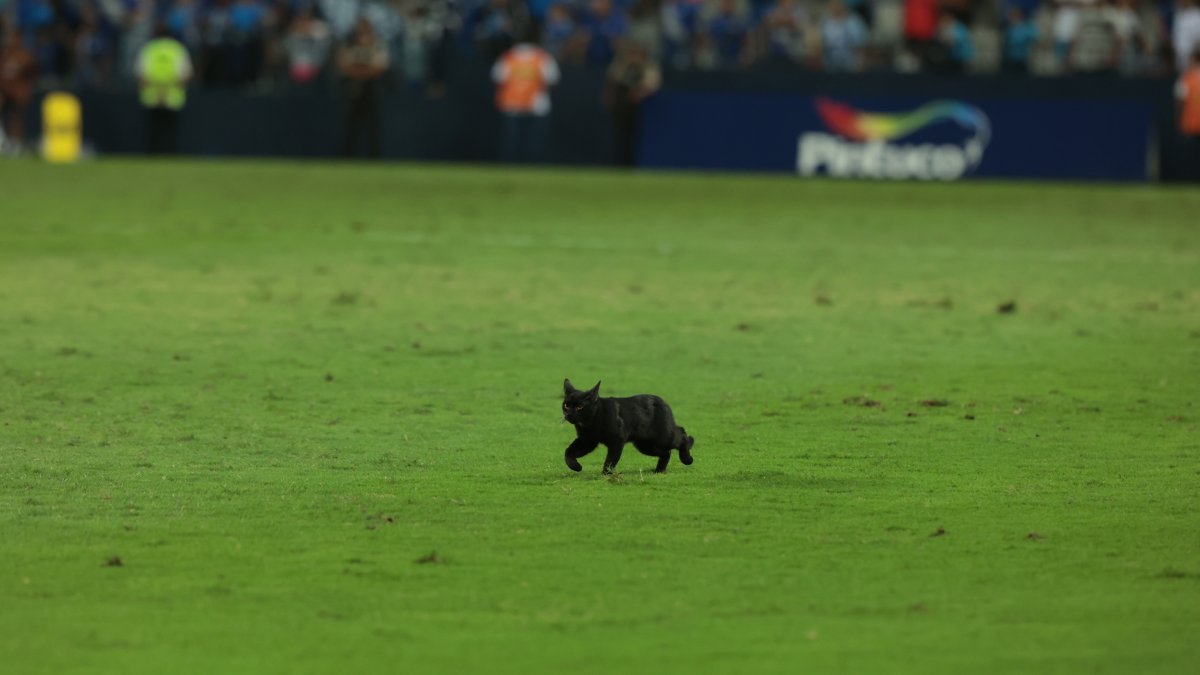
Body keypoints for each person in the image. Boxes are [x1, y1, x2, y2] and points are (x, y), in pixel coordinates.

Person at [492, 40, 559, 163]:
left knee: (521, 142)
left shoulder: (509, 57)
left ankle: (517, 167)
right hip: (528, 106)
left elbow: (498, 80)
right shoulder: (541, 57)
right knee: (518, 143)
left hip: (520, 106)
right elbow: (552, 81)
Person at [135, 25, 193, 154]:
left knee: (153, 133)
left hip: (151, 97)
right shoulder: (177, 49)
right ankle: (171, 155)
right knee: (170, 134)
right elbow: (186, 76)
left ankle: (152, 156)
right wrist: (167, 90)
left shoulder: (148, 49)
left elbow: (141, 76)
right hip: (173, 98)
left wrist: (158, 90)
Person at [337, 18, 389, 159]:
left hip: (371, 90)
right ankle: (348, 157)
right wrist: (365, 70)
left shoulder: (377, 45)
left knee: (373, 126)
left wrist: (359, 70)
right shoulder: (349, 45)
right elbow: (343, 65)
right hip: (353, 90)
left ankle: (374, 157)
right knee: (350, 126)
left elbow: (380, 67)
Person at [604, 42, 660, 166]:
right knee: (620, 138)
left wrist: (639, 93)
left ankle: (633, 164)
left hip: (642, 110)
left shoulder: (648, 66)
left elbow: (651, 85)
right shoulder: (622, 65)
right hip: (622, 107)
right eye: (631, 53)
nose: (633, 56)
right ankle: (619, 164)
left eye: (636, 53)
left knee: (637, 138)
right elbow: (613, 82)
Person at [0, 29, 38, 154]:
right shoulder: (5, 55)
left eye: (14, 38)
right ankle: (4, 140)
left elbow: (32, 74)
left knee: (17, 118)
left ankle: (16, 143)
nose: (11, 41)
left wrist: (26, 89)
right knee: (6, 117)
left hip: (18, 93)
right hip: (5, 92)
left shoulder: (24, 56)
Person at [821, 0, 868, 72]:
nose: (835, 6)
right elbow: (823, 46)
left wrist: (860, 65)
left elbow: (861, 46)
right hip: (831, 67)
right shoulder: (826, 23)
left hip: (851, 66)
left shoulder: (854, 22)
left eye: (837, 3)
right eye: (832, 4)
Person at [1177, 49, 1200, 179]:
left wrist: (1179, 118)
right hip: (1192, 123)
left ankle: (1191, 179)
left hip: (1190, 123)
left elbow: (1180, 99)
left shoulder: (1187, 78)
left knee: (1191, 157)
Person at [1002, 5, 1039, 73]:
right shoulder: (1008, 29)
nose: (1012, 17)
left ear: (1020, 16)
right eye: (1011, 15)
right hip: (1009, 61)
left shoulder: (1028, 27)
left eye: (1015, 15)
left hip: (1023, 60)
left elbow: (1036, 37)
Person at [1175, 0, 1200, 73]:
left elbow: (1198, 39)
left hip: (1192, 59)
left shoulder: (1197, 15)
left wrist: (1193, 57)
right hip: (1179, 59)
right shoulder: (1178, 14)